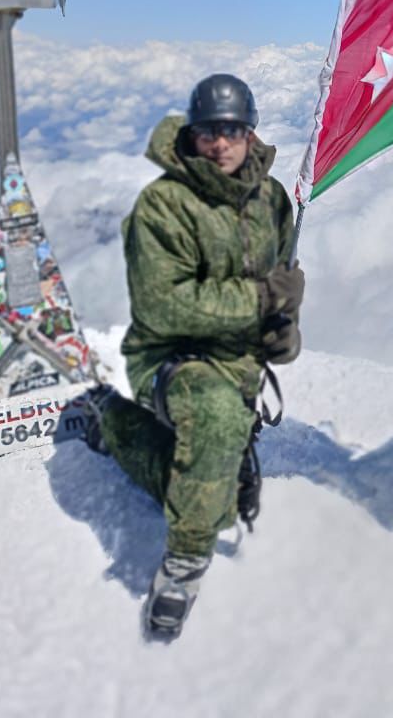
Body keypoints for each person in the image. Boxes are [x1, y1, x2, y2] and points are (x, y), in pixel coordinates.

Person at [84, 73, 305, 639]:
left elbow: (278, 280)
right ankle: (182, 566)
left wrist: (283, 328)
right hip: (169, 353)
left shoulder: (272, 200)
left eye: (232, 130)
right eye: (209, 131)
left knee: (218, 491)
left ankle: (124, 427)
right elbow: (163, 306)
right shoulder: (163, 205)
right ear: (191, 133)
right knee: (215, 419)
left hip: (238, 358)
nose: (221, 143)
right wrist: (258, 302)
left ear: (250, 134)